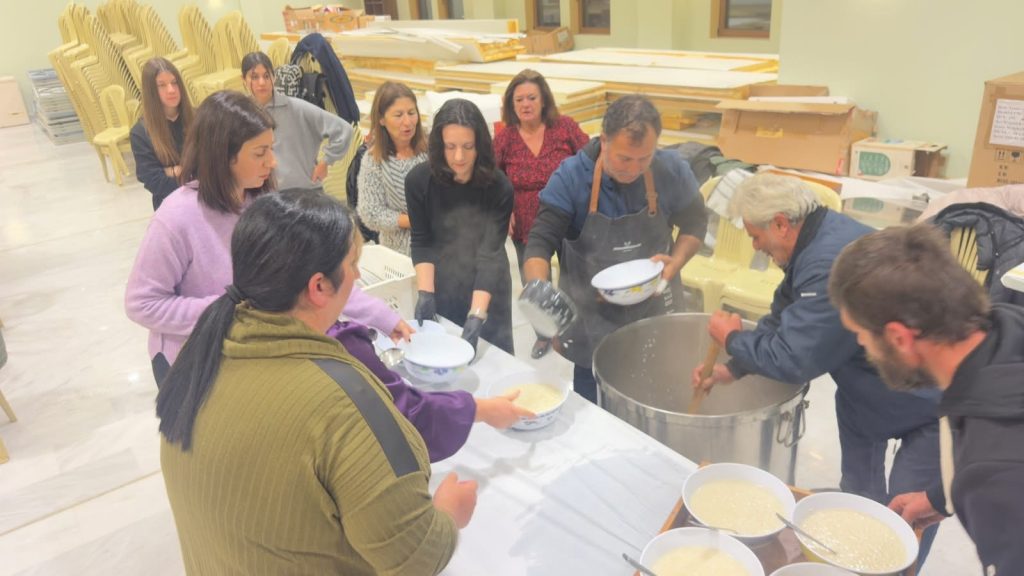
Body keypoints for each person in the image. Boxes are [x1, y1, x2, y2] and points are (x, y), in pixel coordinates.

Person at [157, 190, 476, 575]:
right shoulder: (342, 398)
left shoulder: (199, 358)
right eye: (353, 264)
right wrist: (449, 512)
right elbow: (416, 555)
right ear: (319, 286)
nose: (358, 276)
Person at [692, 173, 941, 563]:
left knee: (903, 519)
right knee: (858, 499)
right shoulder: (815, 238)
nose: (755, 247)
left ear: (780, 223)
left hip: (927, 405)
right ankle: (848, 564)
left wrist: (733, 339)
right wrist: (734, 367)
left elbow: (797, 359)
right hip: (865, 392)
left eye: (755, 236)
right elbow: (785, 315)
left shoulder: (828, 261)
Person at [125, 91, 407, 385]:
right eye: (260, 153)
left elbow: (317, 274)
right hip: (192, 363)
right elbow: (142, 303)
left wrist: (384, 318)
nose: (272, 162)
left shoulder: (263, 203)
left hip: (246, 355)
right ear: (223, 156)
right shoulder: (177, 217)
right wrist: (232, 310)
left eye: (271, 149)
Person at [830, 224, 1024, 575]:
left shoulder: (994, 477)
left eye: (860, 334)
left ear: (899, 338)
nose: (861, 344)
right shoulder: (1007, 326)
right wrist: (940, 497)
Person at [523, 95, 706, 403]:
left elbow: (695, 223)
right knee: (595, 407)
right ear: (604, 140)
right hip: (592, 317)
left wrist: (675, 261)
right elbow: (539, 244)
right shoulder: (571, 178)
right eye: (624, 158)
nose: (633, 169)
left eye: (644, 158)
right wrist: (541, 295)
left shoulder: (670, 170)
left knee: (660, 396)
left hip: (657, 306)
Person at [327, 320, 534, 462]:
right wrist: (481, 409)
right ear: (319, 286)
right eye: (350, 269)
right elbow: (404, 416)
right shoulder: (340, 345)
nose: (357, 274)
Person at [406, 99, 515, 354]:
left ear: (480, 146)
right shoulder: (418, 182)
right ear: (439, 145)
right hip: (442, 281)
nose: (459, 157)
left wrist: (477, 315)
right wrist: (426, 293)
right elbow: (422, 240)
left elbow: (490, 256)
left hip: (489, 287)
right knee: (445, 355)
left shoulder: (499, 187)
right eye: (450, 146)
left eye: (468, 147)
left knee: (494, 361)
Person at [494, 69, 589, 359]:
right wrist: (504, 208)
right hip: (527, 223)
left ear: (544, 100)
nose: (526, 104)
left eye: (532, 98)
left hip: (568, 218)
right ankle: (545, 334)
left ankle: (575, 332)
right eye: (519, 99)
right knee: (535, 284)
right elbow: (492, 178)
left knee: (574, 278)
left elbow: (590, 160)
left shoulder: (565, 128)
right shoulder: (505, 139)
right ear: (511, 105)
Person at [241, 51, 353, 192]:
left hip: (304, 192)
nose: (262, 82)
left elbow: (344, 129)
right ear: (243, 80)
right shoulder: (242, 113)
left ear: (274, 77)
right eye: (254, 77)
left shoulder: (296, 108)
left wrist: (326, 162)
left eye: (266, 76)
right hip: (265, 195)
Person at [356, 82, 428, 255]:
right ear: (381, 119)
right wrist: (413, 221)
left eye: (412, 113)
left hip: (439, 247)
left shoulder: (431, 150)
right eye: (398, 115)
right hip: (399, 253)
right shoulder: (373, 160)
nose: (407, 122)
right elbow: (370, 213)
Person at [130, 57, 194, 210]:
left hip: (206, 199)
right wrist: (193, 173)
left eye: (174, 82)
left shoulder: (198, 118)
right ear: (151, 91)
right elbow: (154, 181)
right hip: (170, 204)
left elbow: (213, 165)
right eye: (162, 85)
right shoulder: (140, 133)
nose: (171, 90)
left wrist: (172, 171)